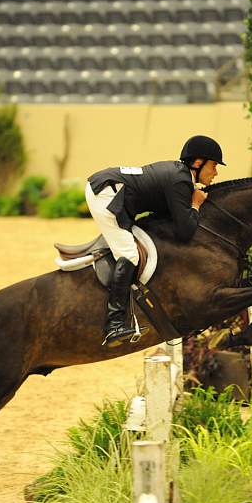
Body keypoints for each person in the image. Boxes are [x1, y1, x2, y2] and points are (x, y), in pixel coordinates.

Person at [86, 134, 225, 348]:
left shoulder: (180, 175)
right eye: (213, 165)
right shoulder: (180, 179)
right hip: (107, 194)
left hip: (113, 189)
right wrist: (196, 204)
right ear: (198, 163)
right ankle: (113, 324)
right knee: (129, 255)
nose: (215, 172)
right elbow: (185, 231)